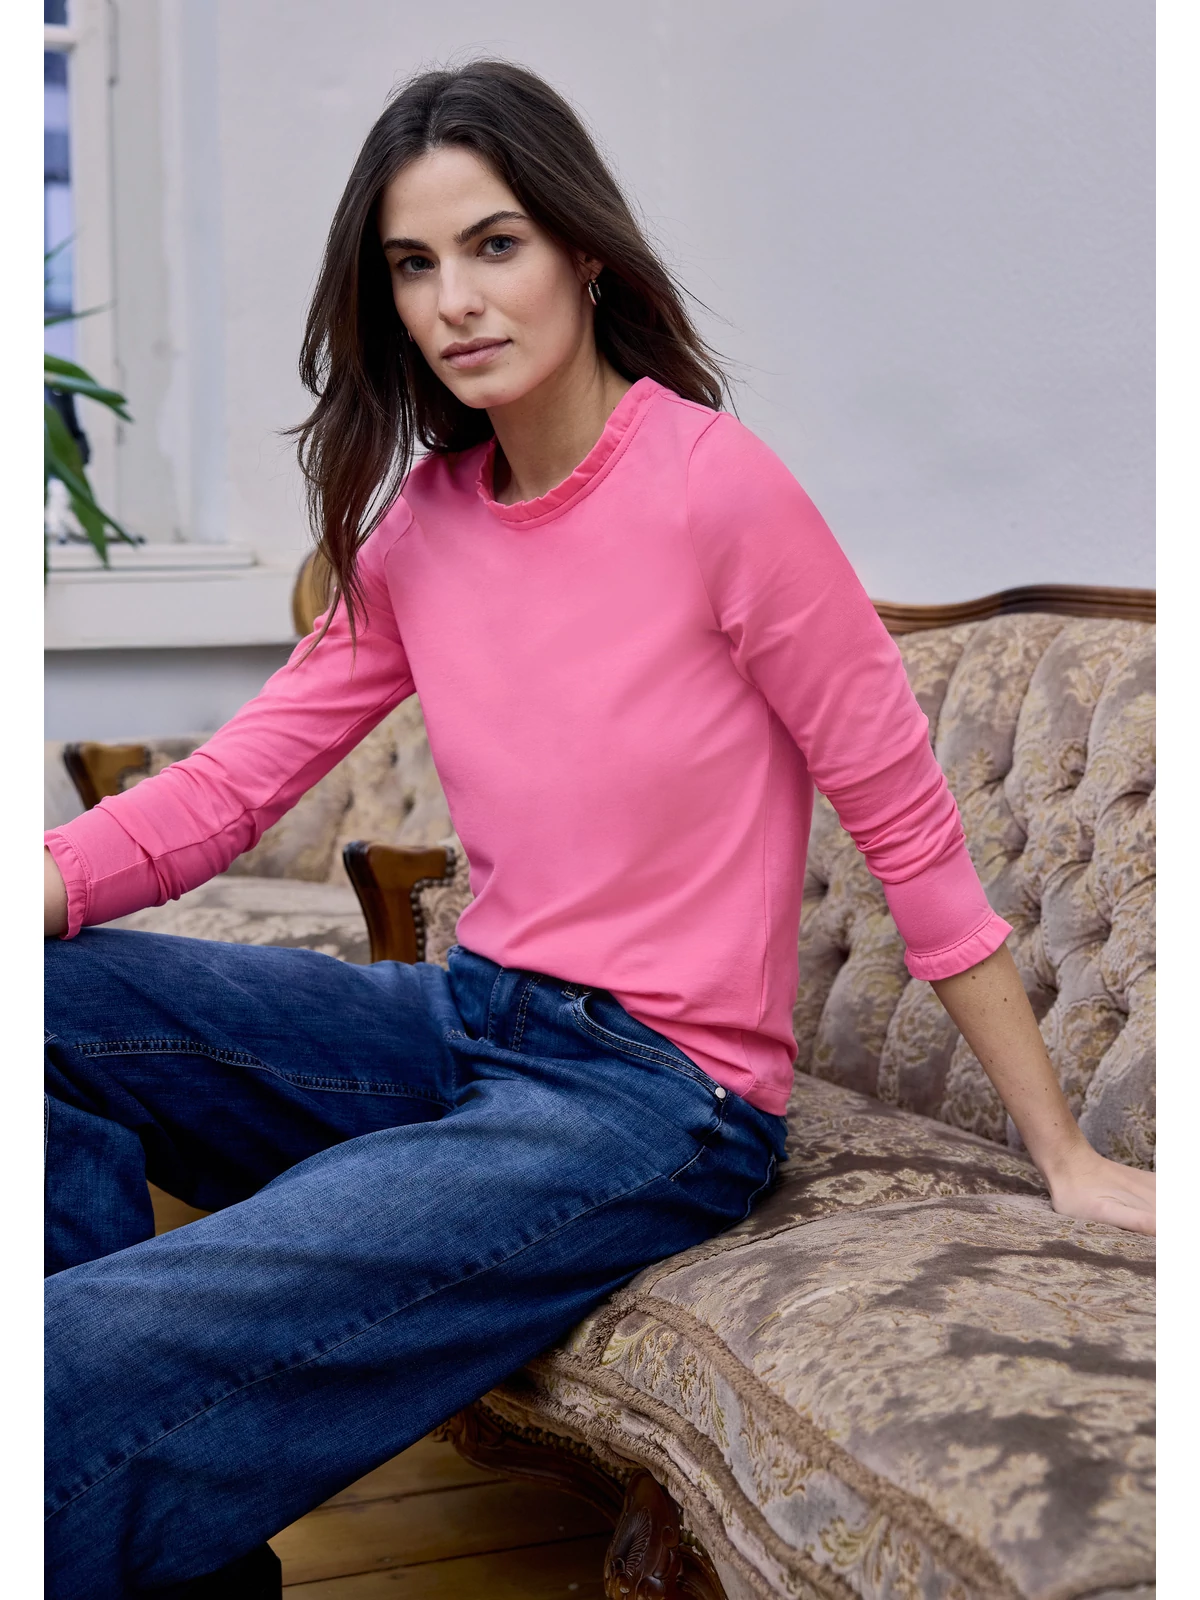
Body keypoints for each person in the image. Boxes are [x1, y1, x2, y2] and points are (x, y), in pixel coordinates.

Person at [43, 58, 1155, 1600]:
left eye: (493, 245)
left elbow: (906, 824)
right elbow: (234, 784)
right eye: (414, 264)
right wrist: (41, 883)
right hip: (470, 1019)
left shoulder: (717, 492)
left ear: (582, 252)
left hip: (656, 1097)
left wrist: (1063, 1153)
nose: (455, 300)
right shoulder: (424, 525)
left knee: (90, 1350)